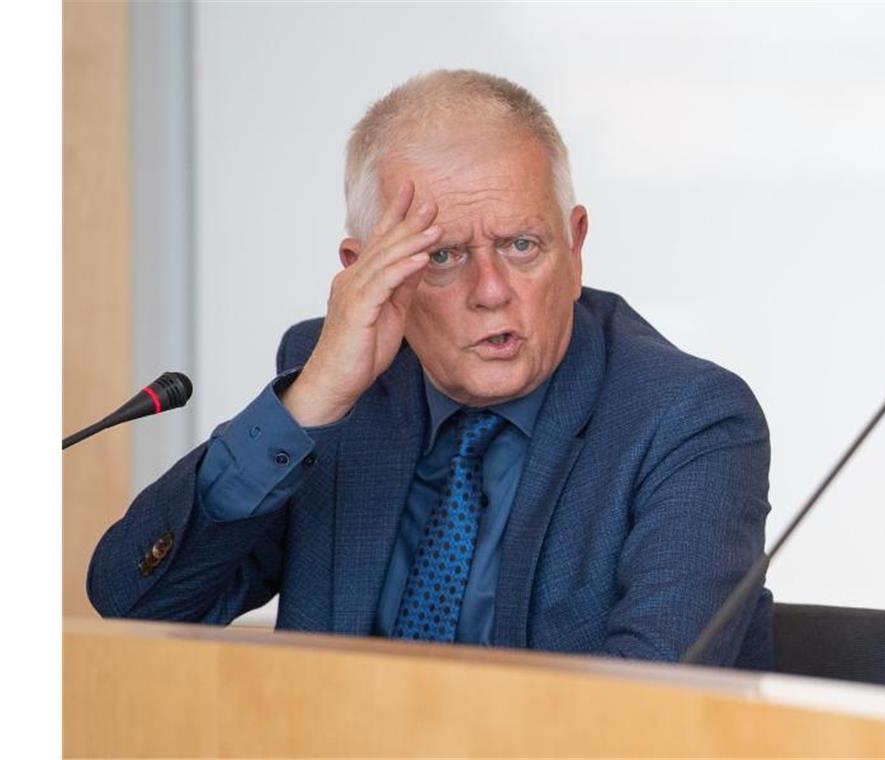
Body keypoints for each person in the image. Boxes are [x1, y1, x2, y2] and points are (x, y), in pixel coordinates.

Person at [87, 70, 773, 668]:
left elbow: (650, 715)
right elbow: (137, 605)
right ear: (365, 275)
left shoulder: (688, 421)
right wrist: (311, 402)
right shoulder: (335, 391)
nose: (492, 289)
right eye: (442, 257)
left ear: (576, 246)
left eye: (523, 245)